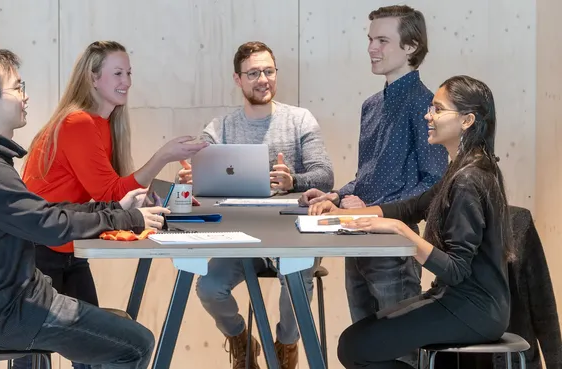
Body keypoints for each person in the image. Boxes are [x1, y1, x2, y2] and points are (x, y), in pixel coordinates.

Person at [0, 47, 169, 369]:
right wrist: (125, 216)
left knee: (115, 342)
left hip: (16, 303)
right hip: (12, 315)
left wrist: (112, 207)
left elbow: (46, 211)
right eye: (17, 87)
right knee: (136, 344)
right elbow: (50, 224)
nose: (25, 97)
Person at [17, 40, 207, 368]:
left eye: (129, 73)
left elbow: (115, 195)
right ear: (92, 78)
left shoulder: (101, 124)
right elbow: (109, 195)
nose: (127, 81)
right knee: (72, 351)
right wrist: (163, 156)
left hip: (66, 247)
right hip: (41, 249)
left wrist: (150, 198)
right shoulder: (79, 123)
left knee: (95, 349)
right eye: (117, 73)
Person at [311, 75, 512, 368]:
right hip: (459, 299)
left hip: (473, 309)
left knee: (354, 347)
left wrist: (399, 231)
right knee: (354, 342)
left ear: (467, 120)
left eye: (438, 110)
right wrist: (343, 213)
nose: (427, 115)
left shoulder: (469, 179)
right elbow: (412, 207)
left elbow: (455, 270)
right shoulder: (462, 168)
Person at [299, 6, 448, 365]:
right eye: (370, 39)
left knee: (402, 356)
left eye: (383, 40)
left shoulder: (426, 105)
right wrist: (336, 194)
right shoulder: (371, 106)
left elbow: (434, 185)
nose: (371, 48)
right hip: (356, 240)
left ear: (411, 47)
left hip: (395, 247)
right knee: (363, 350)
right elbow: (369, 176)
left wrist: (372, 209)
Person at [178, 41, 334, 369]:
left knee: (298, 277)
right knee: (209, 287)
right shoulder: (220, 127)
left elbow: (325, 175)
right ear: (238, 79)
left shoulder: (300, 119)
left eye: (269, 71)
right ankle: (240, 340)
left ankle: (286, 347)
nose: (263, 79)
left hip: (294, 233)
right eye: (253, 73)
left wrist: (294, 181)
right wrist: (192, 175)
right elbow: (195, 163)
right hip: (240, 237)